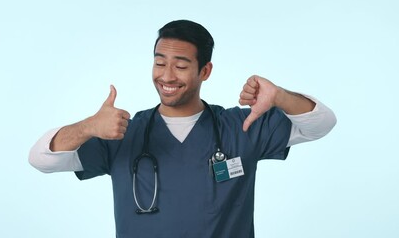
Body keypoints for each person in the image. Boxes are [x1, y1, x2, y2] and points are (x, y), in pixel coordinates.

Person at [29, 20, 336, 238]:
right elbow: (41, 159)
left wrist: (279, 96)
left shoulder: (241, 126)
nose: (167, 75)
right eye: (160, 63)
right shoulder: (122, 131)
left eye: (181, 65)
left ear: (205, 71)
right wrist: (87, 127)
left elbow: (322, 123)